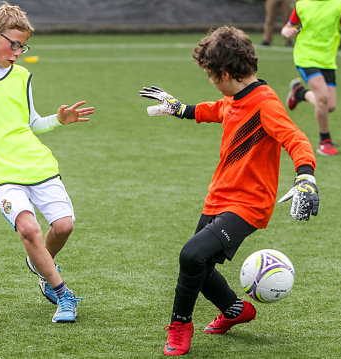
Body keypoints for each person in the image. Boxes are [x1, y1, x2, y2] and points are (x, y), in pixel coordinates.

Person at [139, 26, 319, 356]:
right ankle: (236, 311)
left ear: (224, 73)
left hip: (249, 205)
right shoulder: (236, 98)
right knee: (200, 267)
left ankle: (180, 325)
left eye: (210, 75)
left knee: (190, 255)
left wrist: (305, 176)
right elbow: (216, 109)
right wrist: (179, 108)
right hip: (219, 196)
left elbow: (296, 139)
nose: (211, 81)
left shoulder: (266, 104)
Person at [0, 2, 94, 323]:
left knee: (64, 226)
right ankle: (64, 295)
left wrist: (59, 120)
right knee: (28, 229)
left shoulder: (21, 76)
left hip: (36, 163)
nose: (18, 52)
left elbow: (33, 123)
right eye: (14, 44)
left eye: (23, 46)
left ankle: (39, 263)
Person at [282, 0, 341, 155]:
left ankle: (299, 93)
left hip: (328, 61)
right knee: (322, 98)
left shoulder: (339, 6)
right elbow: (287, 27)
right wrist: (286, 32)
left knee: (329, 106)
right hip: (305, 57)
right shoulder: (301, 5)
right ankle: (325, 142)